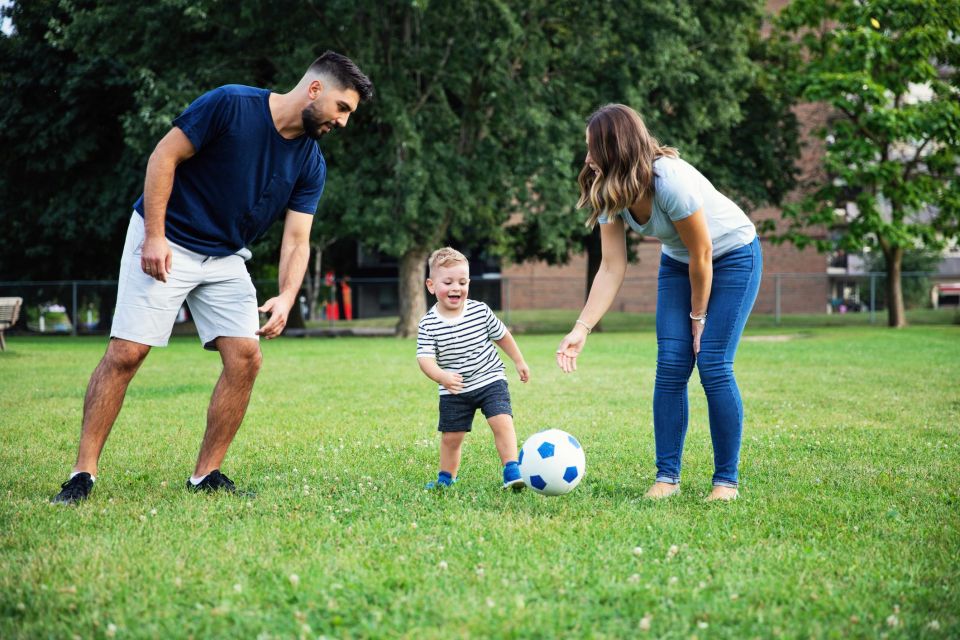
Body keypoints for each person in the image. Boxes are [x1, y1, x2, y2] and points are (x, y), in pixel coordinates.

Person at [51, 51, 374, 504]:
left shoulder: (310, 162)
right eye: (343, 108)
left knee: (246, 358)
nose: (343, 122)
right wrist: (155, 237)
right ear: (315, 89)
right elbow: (164, 157)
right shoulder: (231, 105)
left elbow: (298, 238)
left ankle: (206, 475)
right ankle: (82, 474)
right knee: (127, 352)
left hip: (225, 256)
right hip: (168, 237)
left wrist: (286, 295)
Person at [556, 104, 762, 501]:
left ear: (615, 147)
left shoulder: (670, 180)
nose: (587, 159)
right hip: (680, 261)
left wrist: (698, 316)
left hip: (734, 256)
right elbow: (612, 267)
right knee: (670, 364)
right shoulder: (608, 190)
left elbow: (703, 254)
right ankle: (666, 478)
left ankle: (726, 482)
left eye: (592, 148)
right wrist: (581, 328)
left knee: (714, 363)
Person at [416, 247, 531, 490]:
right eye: (447, 282)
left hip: (490, 379)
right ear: (431, 285)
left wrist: (519, 361)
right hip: (454, 389)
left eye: (462, 281)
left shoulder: (480, 311)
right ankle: (445, 479)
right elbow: (425, 359)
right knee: (451, 438)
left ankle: (512, 471)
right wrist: (442, 377)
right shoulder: (428, 323)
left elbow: (502, 336)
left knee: (502, 422)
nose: (456, 288)